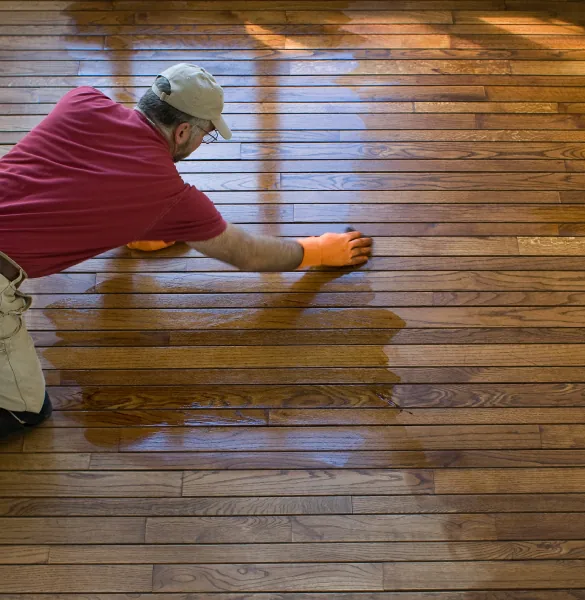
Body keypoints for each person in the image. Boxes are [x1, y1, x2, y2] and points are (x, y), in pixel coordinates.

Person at [0, 63, 373, 440]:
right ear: (182, 132)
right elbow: (247, 254)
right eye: (205, 136)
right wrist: (319, 251)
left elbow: (74, 180)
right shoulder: (169, 196)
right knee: (26, 412)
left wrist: (145, 224)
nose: (200, 144)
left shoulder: (81, 101)